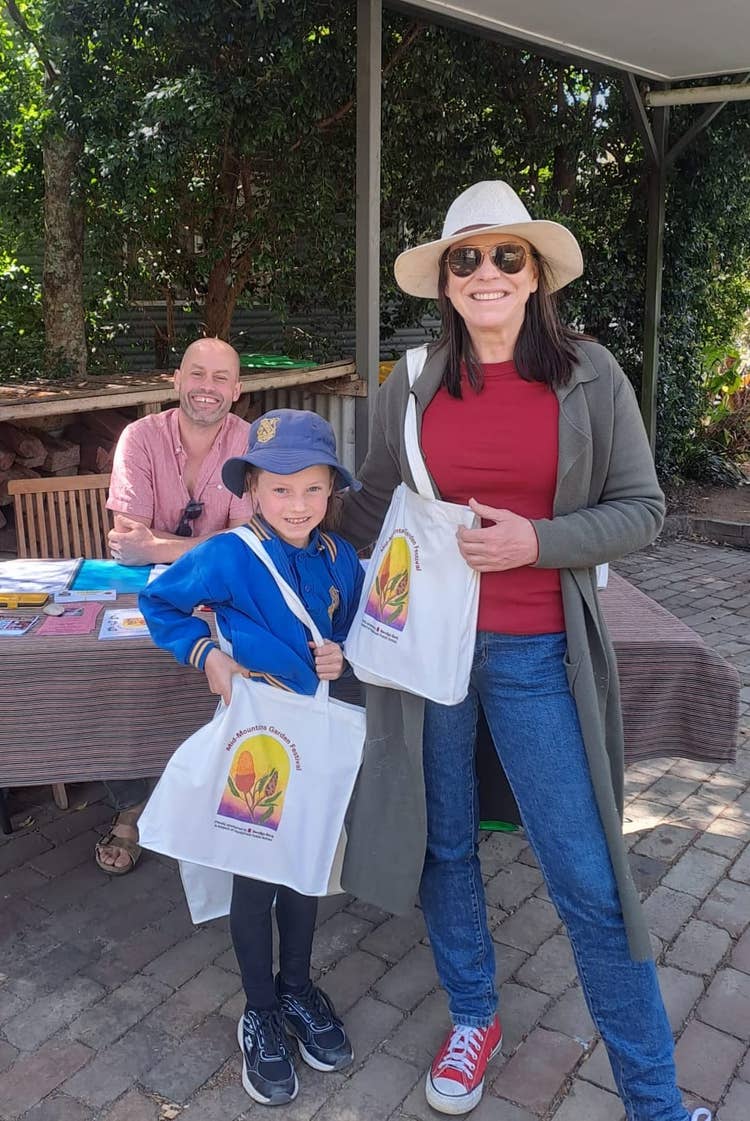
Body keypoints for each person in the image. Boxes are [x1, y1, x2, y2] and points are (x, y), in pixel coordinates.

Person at [338, 182, 711, 1121]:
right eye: (466, 258)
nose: (487, 272)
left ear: (536, 272)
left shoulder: (591, 374)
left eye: (507, 255)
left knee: (588, 878)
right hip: (429, 658)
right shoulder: (411, 380)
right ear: (445, 282)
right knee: (444, 845)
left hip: (539, 655)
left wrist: (535, 542)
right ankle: (474, 1015)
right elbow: (372, 504)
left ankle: (654, 1102)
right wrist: (266, 509)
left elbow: (643, 510)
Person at [139, 408, 364, 1106]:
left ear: (331, 491)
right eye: (280, 489)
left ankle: (296, 989)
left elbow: (360, 630)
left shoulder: (341, 559)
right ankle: (261, 1008)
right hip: (257, 744)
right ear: (253, 489)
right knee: (256, 873)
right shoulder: (228, 554)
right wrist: (206, 654)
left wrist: (344, 654)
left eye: (313, 489)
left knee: (304, 866)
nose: (297, 504)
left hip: (316, 741)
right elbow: (160, 603)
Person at [95, 337, 254, 875]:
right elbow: (126, 539)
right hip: (145, 595)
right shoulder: (140, 437)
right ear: (177, 379)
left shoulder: (249, 442)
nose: (207, 388)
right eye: (197, 374)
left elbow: (246, 546)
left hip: (225, 597)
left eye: (220, 378)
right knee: (114, 669)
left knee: (244, 660)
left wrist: (159, 546)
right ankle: (132, 805)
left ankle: (220, 793)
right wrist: (212, 546)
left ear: (237, 388)